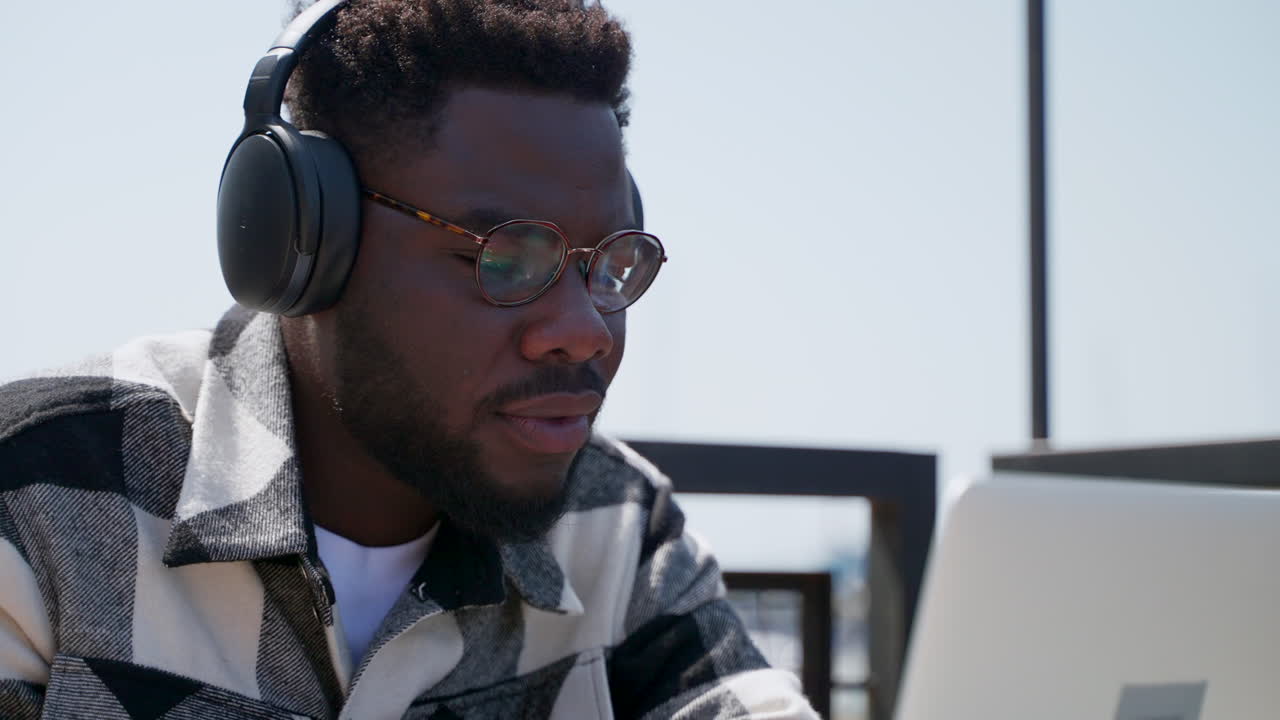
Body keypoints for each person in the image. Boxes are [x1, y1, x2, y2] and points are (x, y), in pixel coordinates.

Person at [0, 1, 820, 718]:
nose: (587, 329)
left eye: (608, 261)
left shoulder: (617, 529)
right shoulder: (40, 507)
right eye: (507, 257)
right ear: (306, 244)